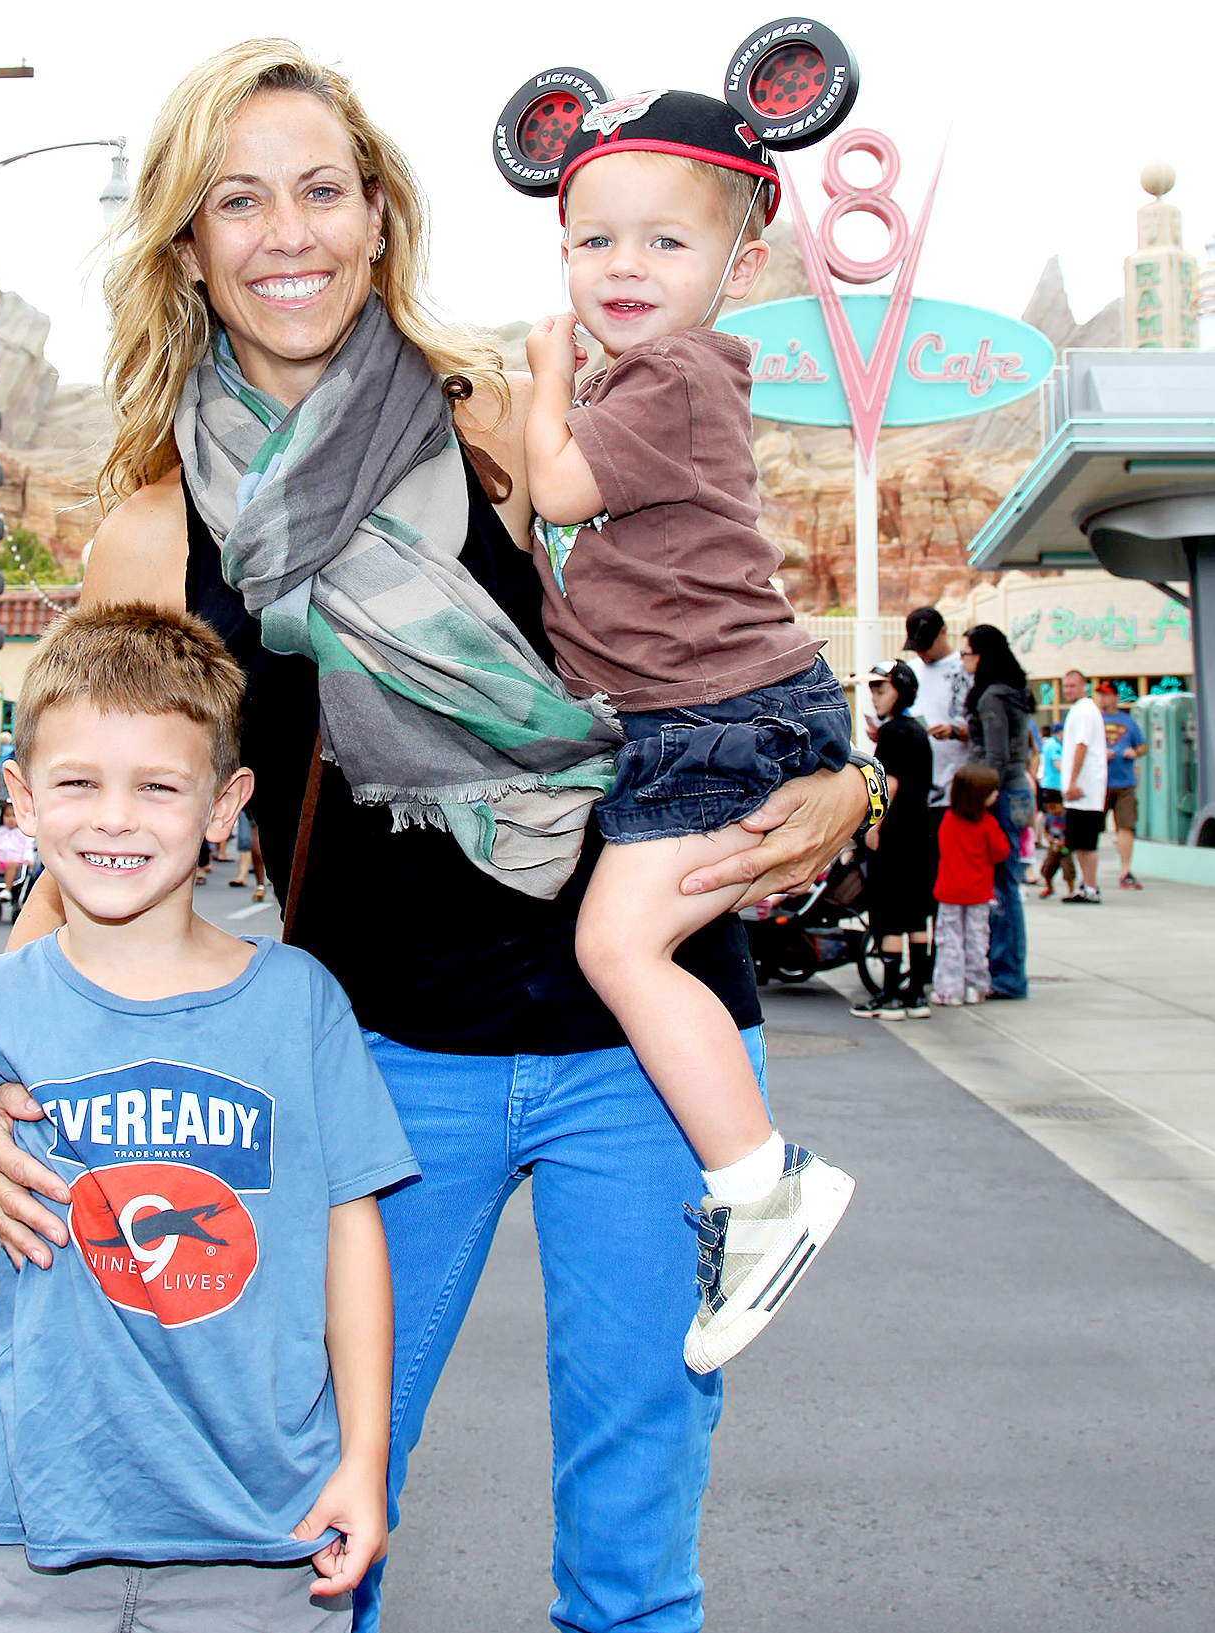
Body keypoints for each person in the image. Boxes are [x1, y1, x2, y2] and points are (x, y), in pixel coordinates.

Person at [0, 42, 874, 1633]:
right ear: (188, 244)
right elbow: (100, 846)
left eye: (322, 189)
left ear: (378, 215)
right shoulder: (157, 532)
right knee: (319, 1515)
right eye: (239, 201)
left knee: (636, 1542)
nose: (288, 233)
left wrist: (850, 780)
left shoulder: (505, 422)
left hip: (647, 1043)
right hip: (380, 1063)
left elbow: (709, 607)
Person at [0, 604, 412, 1627]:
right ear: (21, 797)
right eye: (79, 783)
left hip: (264, 1538)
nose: (115, 818)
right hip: (22, 1537)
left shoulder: (299, 1001)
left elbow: (350, 1231)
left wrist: (365, 1457)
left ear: (225, 805)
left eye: (158, 786)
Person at [519, 85, 856, 1372]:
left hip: (718, 716)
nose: (625, 266)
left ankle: (763, 1184)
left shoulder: (673, 373)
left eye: (667, 241)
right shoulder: (651, 379)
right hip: (705, 713)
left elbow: (558, 488)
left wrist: (545, 380)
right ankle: (754, 1180)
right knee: (629, 940)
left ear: (741, 267)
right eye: (596, 240)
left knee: (619, 944)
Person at [851, 662, 934, 1020]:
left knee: (888, 915)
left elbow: (892, 783)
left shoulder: (893, 733)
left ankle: (889, 996)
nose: (874, 697)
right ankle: (916, 995)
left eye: (881, 689)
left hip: (895, 836)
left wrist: (874, 827)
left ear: (901, 691)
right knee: (915, 916)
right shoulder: (917, 730)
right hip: (920, 834)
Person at [961, 624, 1035, 999]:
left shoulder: (991, 697)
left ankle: (1006, 976)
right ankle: (1006, 972)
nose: (963, 661)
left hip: (1000, 795)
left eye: (966, 654)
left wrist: (980, 800)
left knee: (1001, 888)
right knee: (1008, 884)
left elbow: (995, 758)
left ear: (983, 656)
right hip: (1017, 791)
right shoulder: (1013, 691)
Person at [932, 763, 1009, 1006]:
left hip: (949, 891)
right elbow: (1000, 852)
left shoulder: (948, 820)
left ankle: (949, 989)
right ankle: (975, 987)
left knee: (949, 941)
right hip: (978, 893)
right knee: (977, 942)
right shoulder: (987, 823)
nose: (996, 794)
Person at [902, 606, 970, 812]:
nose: (922, 652)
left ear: (943, 632)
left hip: (957, 781)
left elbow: (981, 728)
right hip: (919, 781)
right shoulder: (912, 670)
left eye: (926, 645)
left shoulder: (965, 668)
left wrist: (953, 731)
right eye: (917, 647)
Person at [1059, 668, 1107, 903]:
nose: (1068, 690)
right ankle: (1085, 884)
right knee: (1077, 842)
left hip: (1085, 789)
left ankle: (1091, 887)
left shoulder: (1086, 710)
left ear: (1084, 686)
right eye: (1066, 686)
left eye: (1073, 686)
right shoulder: (1077, 710)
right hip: (1078, 791)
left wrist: (1072, 782)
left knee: (1087, 842)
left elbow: (1082, 746)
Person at [1097, 679, 1145, 889]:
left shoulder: (1128, 721)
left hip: (1124, 782)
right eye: (1100, 694)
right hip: (1099, 782)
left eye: (1107, 694)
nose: (1102, 698)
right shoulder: (1094, 719)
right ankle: (1088, 873)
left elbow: (1142, 746)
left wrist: (1134, 752)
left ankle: (1125, 870)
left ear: (1116, 698)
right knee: (1092, 828)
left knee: (1125, 826)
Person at [1036, 795, 1077, 900]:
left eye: (1054, 807)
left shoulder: (1067, 816)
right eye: (1049, 808)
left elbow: (1073, 831)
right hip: (1053, 847)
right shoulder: (1049, 817)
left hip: (1065, 849)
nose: (1052, 810)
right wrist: (1048, 838)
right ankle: (1049, 888)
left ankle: (1071, 891)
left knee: (1068, 871)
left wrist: (1065, 841)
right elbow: (1045, 830)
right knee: (1047, 869)